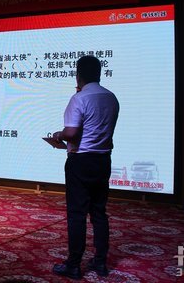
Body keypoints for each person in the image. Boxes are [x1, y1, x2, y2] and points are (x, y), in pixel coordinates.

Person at [52, 55, 119, 280]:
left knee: (77, 214)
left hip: (81, 161)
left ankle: (73, 265)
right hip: (103, 160)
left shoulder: (79, 98)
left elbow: (71, 133)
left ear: (78, 75)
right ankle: (100, 262)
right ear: (99, 73)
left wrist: (59, 135)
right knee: (99, 212)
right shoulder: (111, 97)